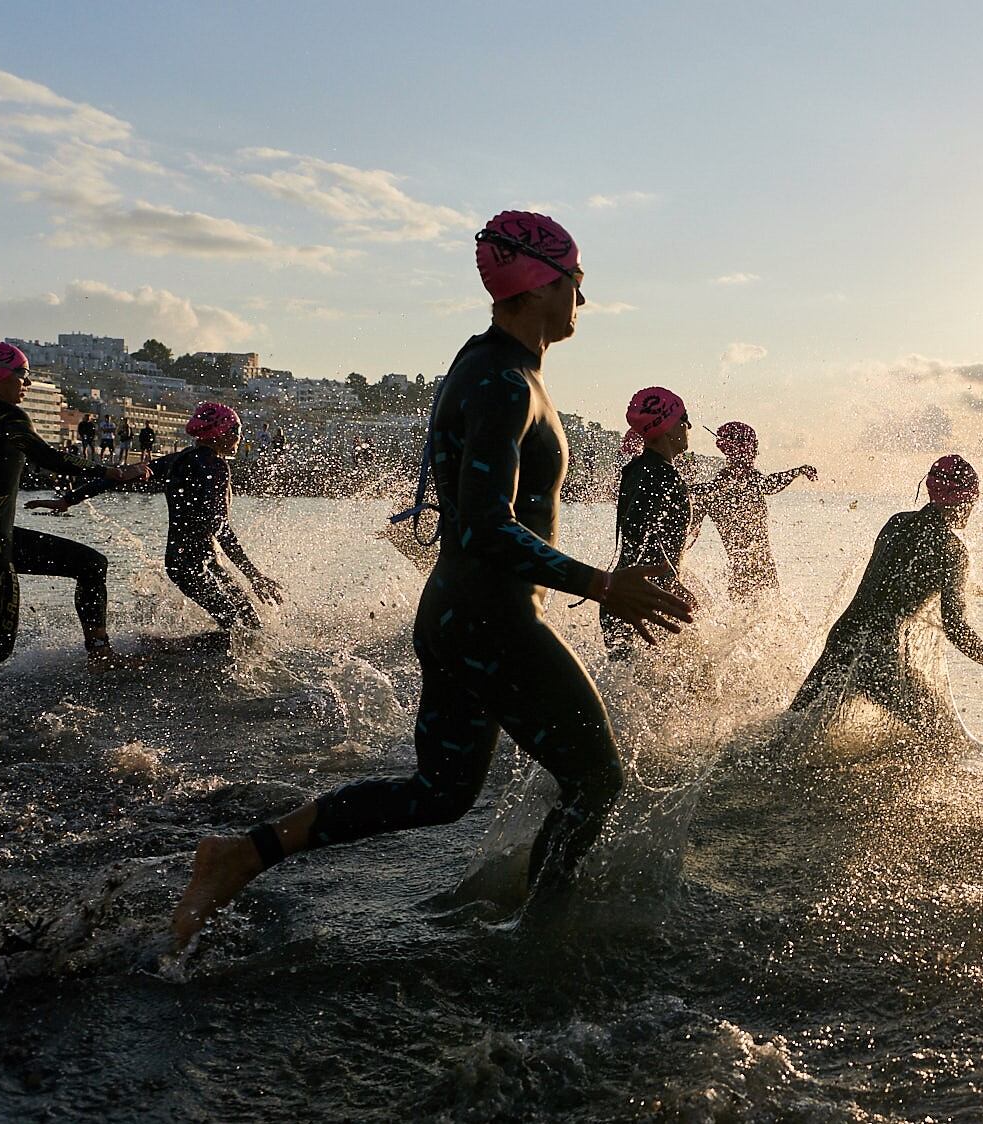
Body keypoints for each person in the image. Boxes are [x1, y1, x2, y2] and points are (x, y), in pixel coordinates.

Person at [171, 210, 691, 946]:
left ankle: (237, 857)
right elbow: (483, 526)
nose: (583, 298)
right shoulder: (502, 381)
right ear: (540, 283)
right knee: (596, 779)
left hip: (461, 615)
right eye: (577, 281)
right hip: (492, 619)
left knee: (441, 793)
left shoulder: (496, 368)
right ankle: (537, 941)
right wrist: (602, 585)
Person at [0, 341, 150, 697]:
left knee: (91, 564)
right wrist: (112, 473)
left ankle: (100, 653)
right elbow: (53, 459)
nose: (26, 384)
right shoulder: (7, 418)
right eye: (23, 376)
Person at [787, 454, 983, 743]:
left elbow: (902, 577)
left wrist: (977, 589)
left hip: (842, 639)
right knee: (947, 741)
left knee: (788, 733)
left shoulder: (896, 524)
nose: (973, 508)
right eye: (972, 500)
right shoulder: (952, 551)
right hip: (878, 658)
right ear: (960, 500)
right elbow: (955, 628)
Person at [30, 402, 282, 634]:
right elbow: (220, 527)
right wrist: (253, 575)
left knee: (243, 623)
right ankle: (181, 655)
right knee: (242, 625)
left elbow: (119, 475)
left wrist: (69, 499)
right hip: (192, 565)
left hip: (186, 562)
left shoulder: (179, 458)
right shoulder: (214, 467)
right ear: (219, 433)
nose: (240, 435)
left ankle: (174, 651)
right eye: (236, 429)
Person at [601, 386, 696, 657]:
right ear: (667, 426)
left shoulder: (635, 470)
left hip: (625, 596)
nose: (688, 426)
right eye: (683, 418)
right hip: (643, 600)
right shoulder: (663, 476)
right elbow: (639, 530)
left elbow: (639, 537)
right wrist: (669, 585)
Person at [688, 421, 817, 599]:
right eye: (753, 447)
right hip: (756, 568)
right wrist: (797, 471)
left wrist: (797, 472)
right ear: (740, 450)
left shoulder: (719, 486)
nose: (756, 452)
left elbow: (695, 505)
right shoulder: (734, 482)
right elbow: (770, 485)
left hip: (745, 569)